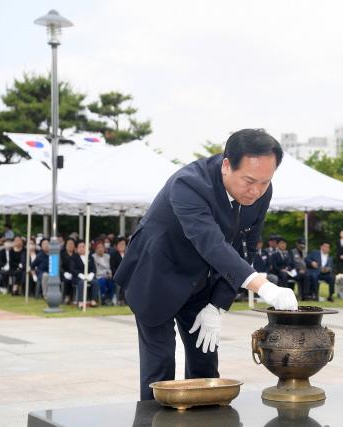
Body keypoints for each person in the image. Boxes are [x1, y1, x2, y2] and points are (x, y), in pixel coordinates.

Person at [113, 129, 298, 401]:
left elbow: (245, 246)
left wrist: (217, 305)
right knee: (160, 367)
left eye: (265, 182)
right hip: (156, 274)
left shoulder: (260, 191)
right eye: (249, 181)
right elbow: (210, 243)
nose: (256, 191)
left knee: (205, 365)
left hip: (202, 280)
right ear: (226, 165)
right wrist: (265, 287)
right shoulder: (188, 184)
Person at [76, 240, 98, 308]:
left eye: (83, 247)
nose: (82, 248)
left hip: (89, 276)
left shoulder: (90, 257)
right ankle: (80, 302)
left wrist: (91, 275)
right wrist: (81, 275)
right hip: (78, 277)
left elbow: (94, 268)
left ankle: (93, 300)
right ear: (77, 249)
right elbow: (72, 269)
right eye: (80, 247)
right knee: (82, 283)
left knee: (95, 282)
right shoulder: (74, 258)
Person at [60, 238, 79, 304]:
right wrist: (64, 273)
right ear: (66, 245)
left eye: (72, 244)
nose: (70, 245)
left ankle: (75, 298)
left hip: (74, 273)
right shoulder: (62, 254)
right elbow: (60, 266)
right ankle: (67, 296)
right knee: (67, 280)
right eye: (69, 244)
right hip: (64, 273)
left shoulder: (76, 255)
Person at [110, 237, 127, 305]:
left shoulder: (128, 254)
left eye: (123, 244)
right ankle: (121, 300)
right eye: (120, 244)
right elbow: (113, 268)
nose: (121, 246)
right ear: (117, 245)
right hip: (117, 275)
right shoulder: (113, 255)